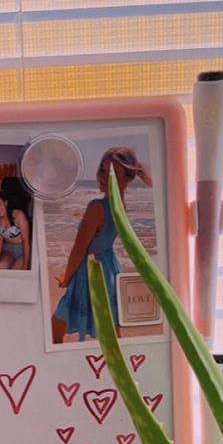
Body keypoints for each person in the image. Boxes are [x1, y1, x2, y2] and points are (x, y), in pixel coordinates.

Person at [51, 146, 153, 344]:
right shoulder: (120, 204)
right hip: (110, 268)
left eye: (112, 174)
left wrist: (66, 278)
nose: (103, 177)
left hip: (90, 270)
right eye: (102, 170)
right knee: (111, 328)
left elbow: (78, 250)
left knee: (55, 327)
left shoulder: (96, 207)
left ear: (127, 179)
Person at [0, 184, 31, 270]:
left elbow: (26, 241)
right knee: (2, 265)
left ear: (6, 203)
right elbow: (0, 240)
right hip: (8, 249)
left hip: (22, 248)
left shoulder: (18, 215)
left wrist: (26, 264)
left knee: (15, 273)